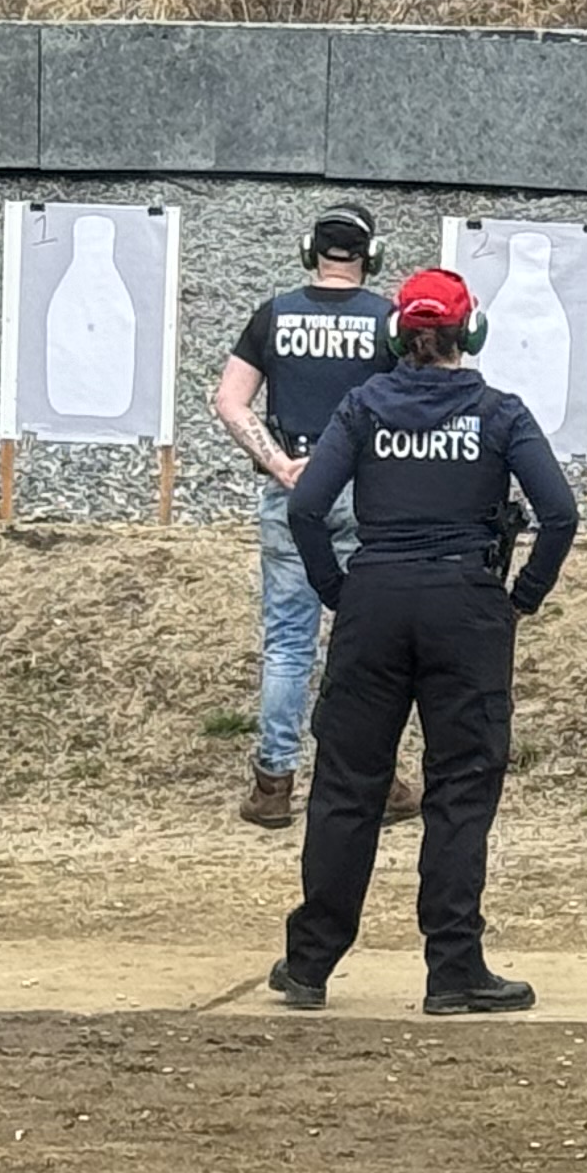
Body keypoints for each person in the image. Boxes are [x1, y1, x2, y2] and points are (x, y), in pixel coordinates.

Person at [267, 268, 579, 1016]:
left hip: (374, 600)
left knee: (347, 787)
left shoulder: (361, 408)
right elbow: (561, 514)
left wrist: (338, 590)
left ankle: (309, 963)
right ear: (471, 334)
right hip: (466, 605)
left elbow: (306, 509)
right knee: (461, 789)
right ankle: (454, 968)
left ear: (396, 335)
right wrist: (521, 599)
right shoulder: (500, 413)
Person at [210, 200, 417, 832]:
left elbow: (229, 402)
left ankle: (273, 784)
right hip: (366, 493)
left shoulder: (272, 315)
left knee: (287, 644)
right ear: (370, 256)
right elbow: (411, 403)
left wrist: (278, 463)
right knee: (365, 644)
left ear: (311, 252)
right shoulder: (388, 320)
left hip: (293, 491)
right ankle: (374, 778)